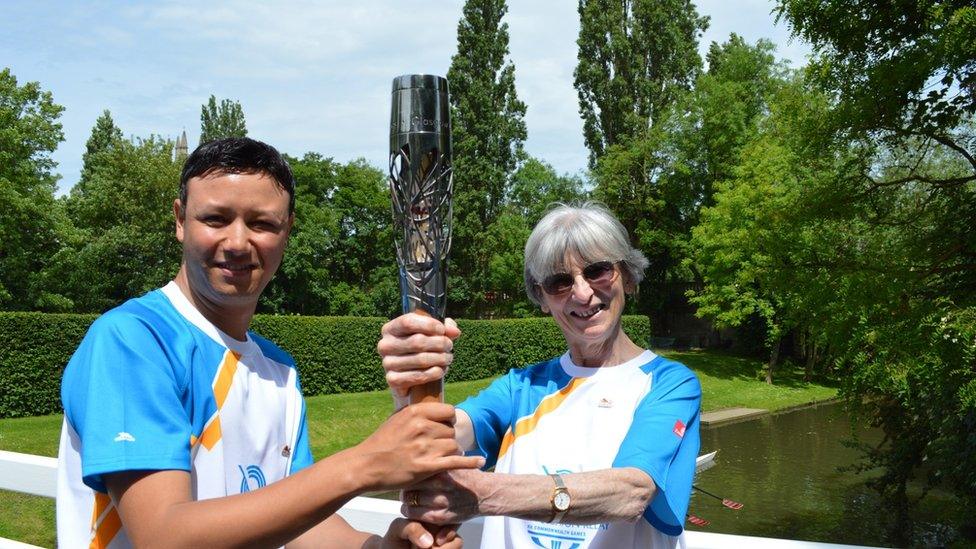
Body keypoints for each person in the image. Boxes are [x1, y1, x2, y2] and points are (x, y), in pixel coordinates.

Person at [57, 137, 483, 548]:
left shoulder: (278, 370)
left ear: (287, 231)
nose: (239, 242)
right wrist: (366, 464)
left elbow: (294, 522)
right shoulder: (135, 340)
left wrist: (375, 547)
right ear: (180, 221)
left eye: (262, 223)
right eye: (215, 219)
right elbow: (163, 535)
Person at [378, 202, 702, 548]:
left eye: (597, 271)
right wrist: (408, 391)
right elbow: (435, 441)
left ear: (629, 278)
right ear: (542, 298)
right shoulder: (521, 388)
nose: (582, 292)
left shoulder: (670, 384)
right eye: (559, 282)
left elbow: (631, 492)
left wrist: (484, 495)